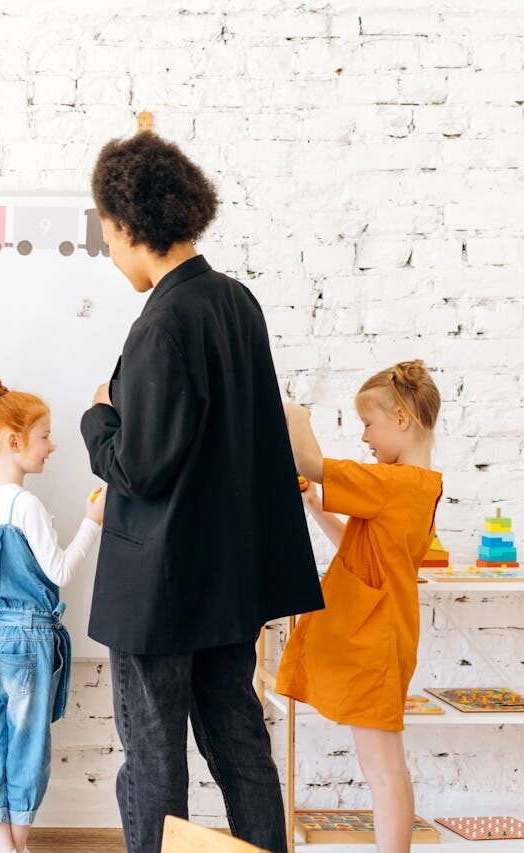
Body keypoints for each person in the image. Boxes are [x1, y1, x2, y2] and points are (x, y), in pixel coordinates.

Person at [80, 131, 324, 853]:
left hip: (160, 590)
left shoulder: (163, 322)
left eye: (107, 233)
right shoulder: (236, 302)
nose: (108, 248)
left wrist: (99, 415)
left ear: (129, 226)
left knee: (154, 758)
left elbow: (140, 467)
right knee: (239, 739)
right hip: (226, 581)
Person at [278, 361, 443, 853]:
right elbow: (356, 546)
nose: (366, 438)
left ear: (402, 419)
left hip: (377, 643)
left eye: (369, 424)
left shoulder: (398, 484)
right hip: (377, 639)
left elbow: (309, 461)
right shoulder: (411, 486)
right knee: (380, 767)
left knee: (383, 769)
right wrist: (314, 505)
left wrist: (293, 412)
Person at [0, 374, 103, 853]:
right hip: (28, 640)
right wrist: (92, 523)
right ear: (14, 441)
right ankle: (17, 844)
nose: (52, 446)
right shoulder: (26, 505)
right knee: (27, 745)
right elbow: (58, 569)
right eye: (44, 436)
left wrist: (2, 578)